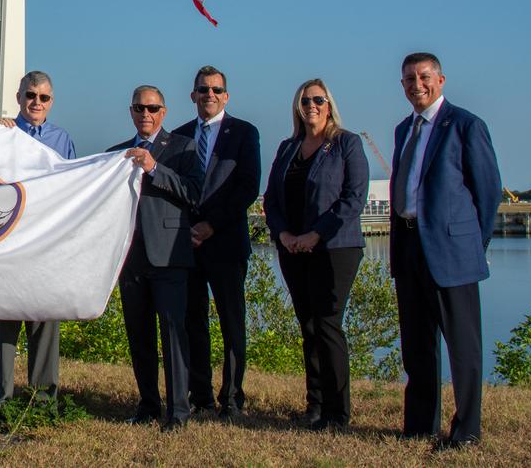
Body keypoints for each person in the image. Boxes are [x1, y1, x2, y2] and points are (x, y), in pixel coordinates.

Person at [389, 53, 501, 450]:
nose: (416, 85)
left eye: (423, 77)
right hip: (408, 247)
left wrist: (473, 243)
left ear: (440, 80)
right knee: (416, 345)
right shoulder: (405, 129)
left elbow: (487, 192)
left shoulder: (466, 125)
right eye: (408, 79)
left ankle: (467, 429)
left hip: (452, 253)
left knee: (463, 346)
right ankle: (420, 424)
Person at [263, 79, 366, 431]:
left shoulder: (346, 144)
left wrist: (315, 234)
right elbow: (271, 200)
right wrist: (285, 234)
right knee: (307, 326)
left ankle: (338, 412)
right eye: (305, 100)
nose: (311, 105)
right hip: (293, 249)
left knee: (327, 325)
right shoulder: (287, 147)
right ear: (297, 106)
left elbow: (353, 199)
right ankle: (316, 405)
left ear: (329, 104)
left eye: (318, 99)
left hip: (335, 249)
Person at [108, 86, 202, 431]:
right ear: (131, 111)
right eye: (139, 108)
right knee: (139, 334)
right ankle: (148, 405)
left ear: (163, 112)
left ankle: (178, 412)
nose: (145, 114)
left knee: (175, 335)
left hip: (169, 255)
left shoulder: (182, 147)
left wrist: (154, 168)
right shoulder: (116, 153)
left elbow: (193, 192)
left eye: (152, 108)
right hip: (130, 258)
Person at [171, 66, 260, 419]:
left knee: (231, 323)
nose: (210, 95)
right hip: (187, 245)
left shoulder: (244, 133)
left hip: (225, 242)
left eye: (216, 89)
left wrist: (211, 225)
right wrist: (190, 229)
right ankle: (201, 395)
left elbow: (248, 186)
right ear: (193, 95)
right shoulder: (177, 137)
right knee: (193, 323)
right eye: (203, 89)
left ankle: (233, 398)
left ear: (226, 95)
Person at [0, 71, 76, 423]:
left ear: (51, 101)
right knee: (5, 325)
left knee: (45, 323)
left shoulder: (62, 139)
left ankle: (43, 404)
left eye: (43, 98)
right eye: (30, 96)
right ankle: (0, 403)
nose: (36, 103)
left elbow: (73, 186)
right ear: (19, 96)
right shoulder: (3, 134)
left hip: (46, 243)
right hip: (10, 241)